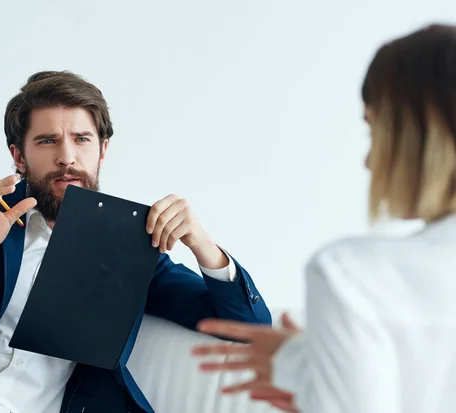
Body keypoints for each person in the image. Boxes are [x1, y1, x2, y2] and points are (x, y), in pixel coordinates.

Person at [0, 71, 271, 413]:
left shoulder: (129, 241)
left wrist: (204, 246)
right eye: (47, 140)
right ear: (19, 156)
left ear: (102, 150)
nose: (67, 157)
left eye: (81, 139)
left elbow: (248, 328)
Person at [191, 23, 456, 413]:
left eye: (374, 131)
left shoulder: (352, 276)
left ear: (418, 133)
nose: (369, 161)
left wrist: (305, 378)